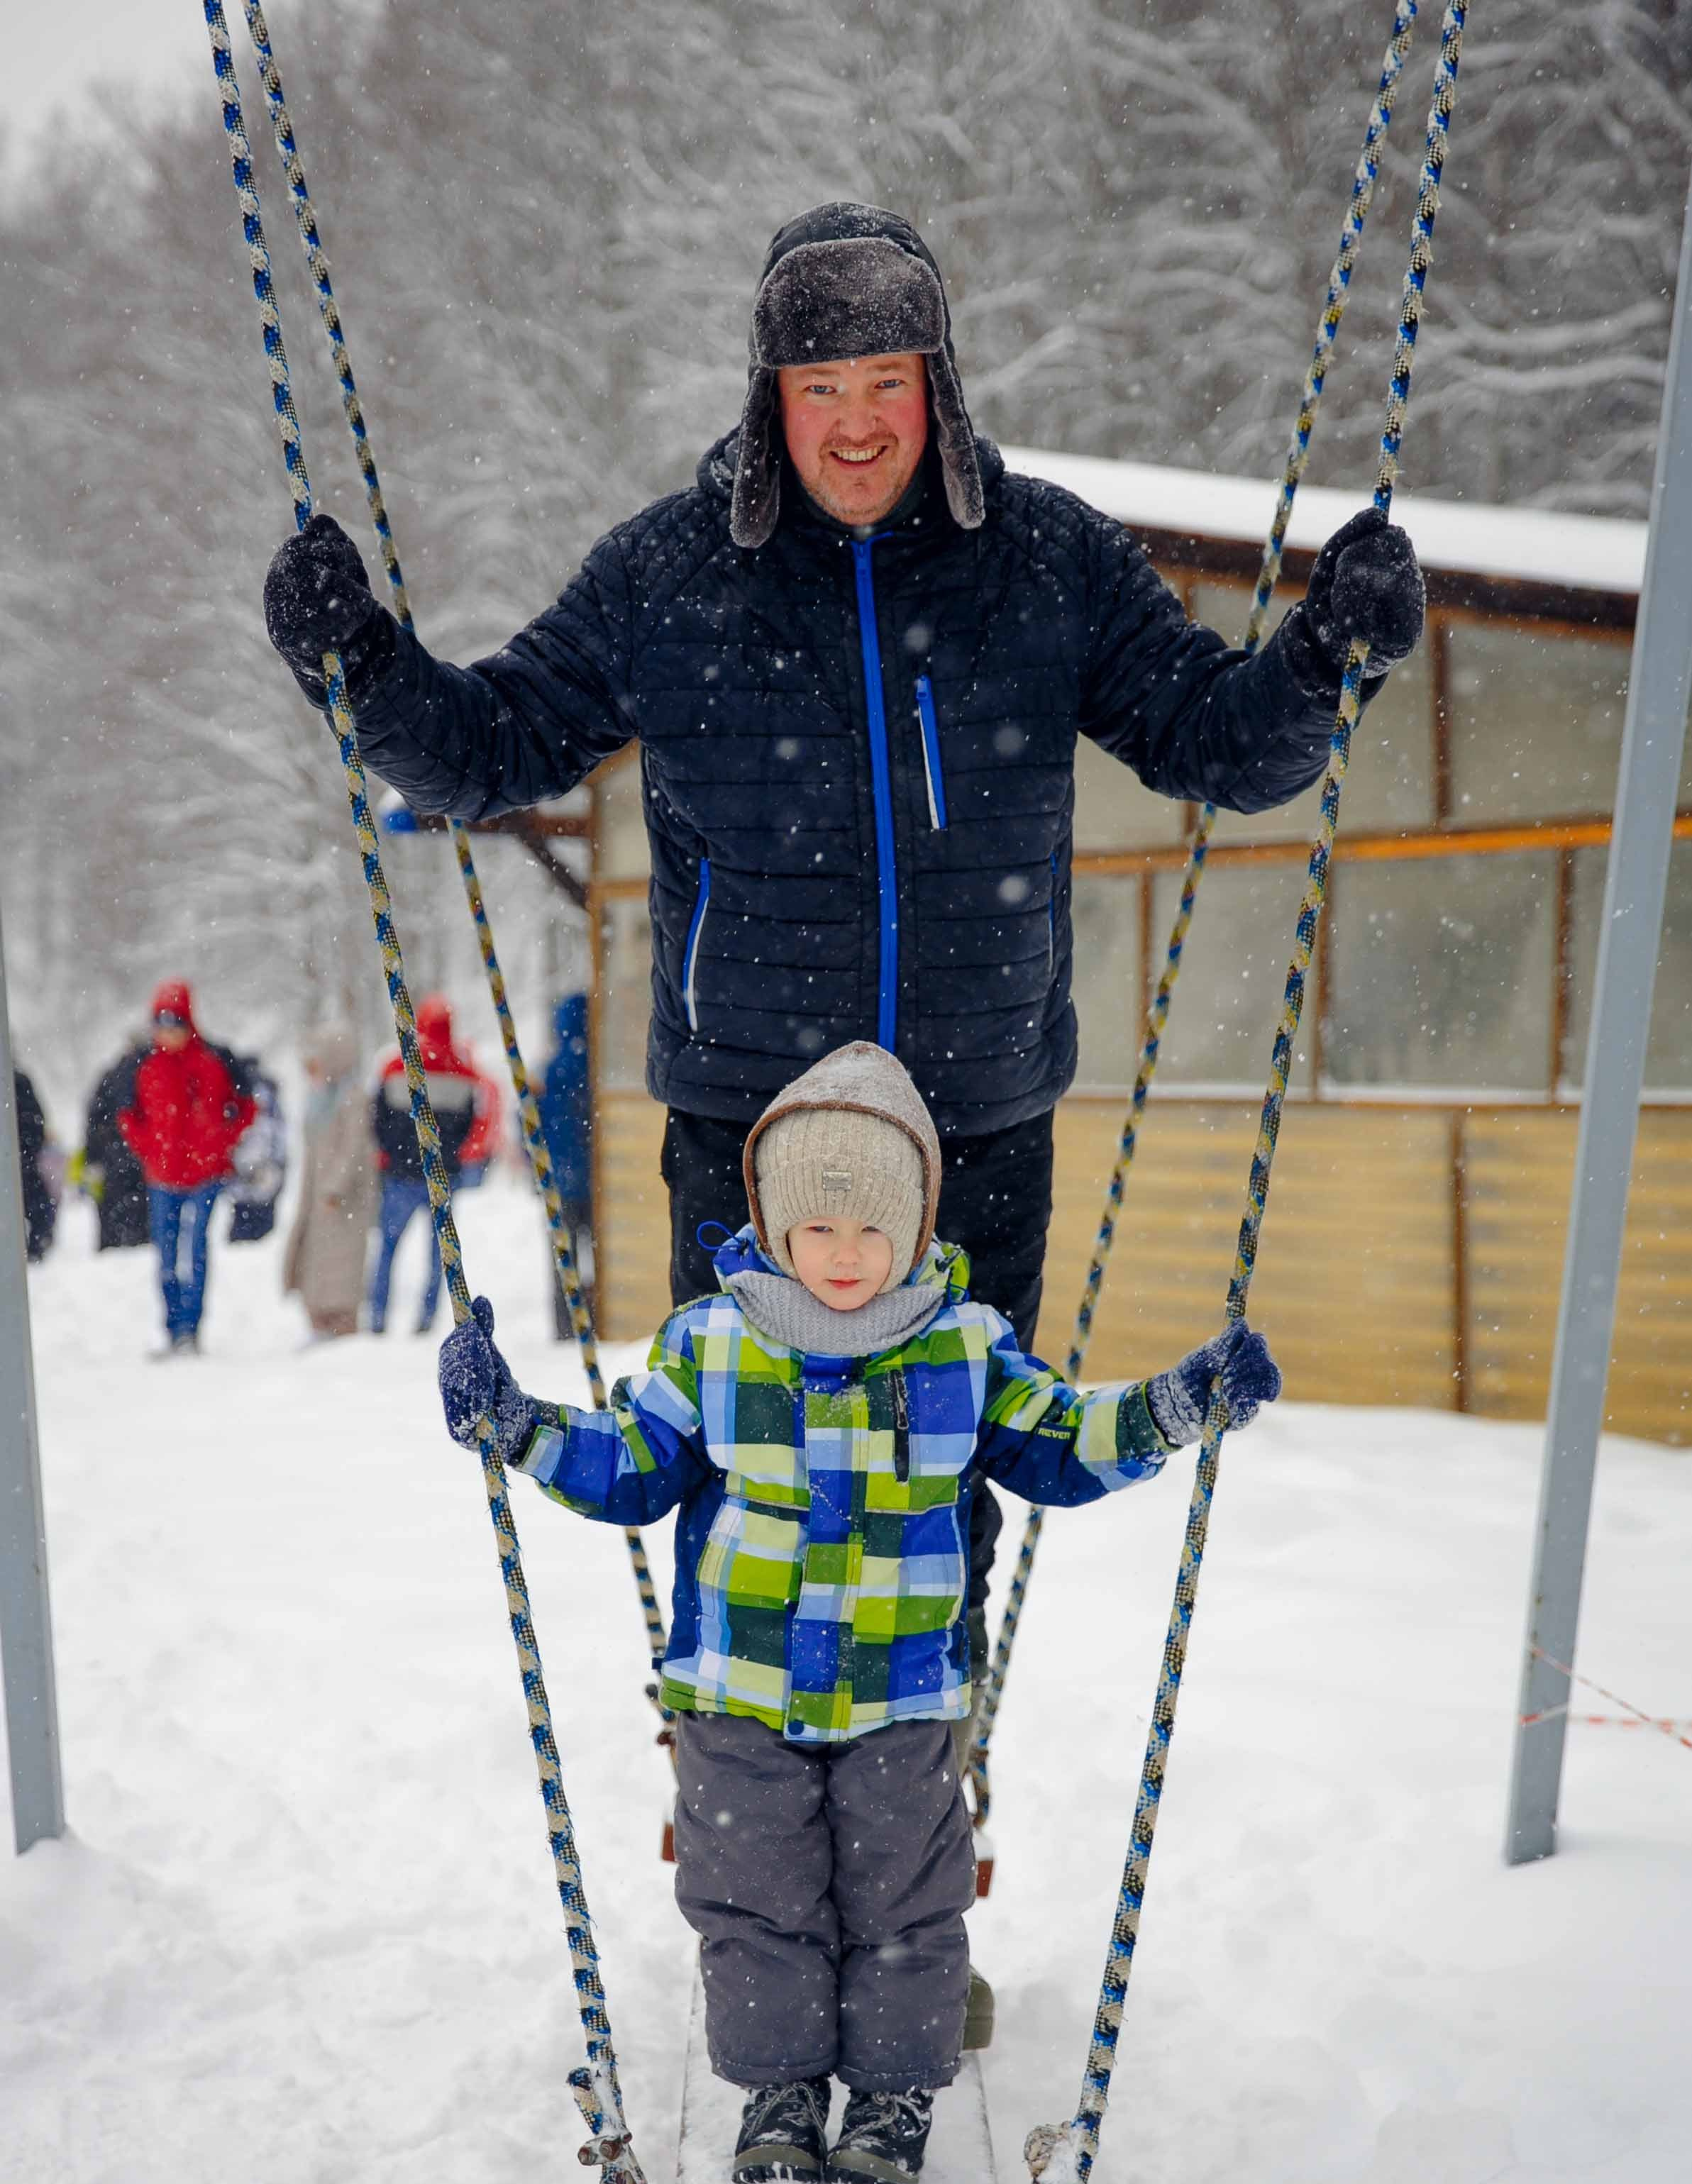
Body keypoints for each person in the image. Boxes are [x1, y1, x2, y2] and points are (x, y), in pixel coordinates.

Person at [263, 199, 1422, 1657]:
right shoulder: (668, 577)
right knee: (741, 1476)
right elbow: (489, 746)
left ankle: (920, 1778)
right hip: (746, 1134)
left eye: (887, 383)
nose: (857, 424)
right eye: (822, 390)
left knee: (949, 1486)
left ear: (938, 386)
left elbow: (1218, 742)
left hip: (975, 1134)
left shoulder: (1045, 561)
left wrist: (1328, 658)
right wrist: (357, 662)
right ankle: (741, 1774)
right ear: (771, 404)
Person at [436, 1041, 1281, 2184]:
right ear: (777, 1224)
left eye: (872, 1229)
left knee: (907, 1898)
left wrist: (1175, 1406)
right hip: (738, 1690)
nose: (845, 1255)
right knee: (753, 1894)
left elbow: (1063, 1443)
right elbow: (628, 1464)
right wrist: (518, 1421)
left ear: (917, 1226)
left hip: (899, 1693)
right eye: (819, 1228)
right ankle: (782, 2087)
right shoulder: (711, 1341)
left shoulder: (962, 1345)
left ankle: (891, 2091)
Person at [118, 981, 255, 1355]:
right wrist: (149, 1150)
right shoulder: (143, 1066)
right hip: (162, 1177)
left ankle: (191, 1330)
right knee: (165, 1253)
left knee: (194, 1250)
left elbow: (245, 1105)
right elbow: (127, 1115)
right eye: (160, 1022)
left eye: (174, 1021)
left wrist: (221, 1142)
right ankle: (172, 1326)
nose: (167, 1030)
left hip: (205, 1177)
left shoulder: (214, 1061)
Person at [368, 994, 494, 1334]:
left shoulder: (398, 1067)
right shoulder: (465, 1074)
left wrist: (391, 1154)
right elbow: (471, 1123)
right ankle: (426, 1319)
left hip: (400, 1175)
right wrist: (448, 1155)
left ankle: (378, 1317)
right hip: (442, 1175)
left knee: (388, 1248)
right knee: (440, 1253)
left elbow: (377, 1118)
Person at [284, 1025, 376, 1339]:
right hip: (316, 1191)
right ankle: (318, 1321)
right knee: (315, 1259)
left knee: (342, 1263)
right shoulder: (319, 1097)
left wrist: (335, 1185)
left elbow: (354, 1147)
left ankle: (341, 1323)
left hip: (343, 1196)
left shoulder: (352, 1097)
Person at [538, 991, 594, 1335]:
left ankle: (565, 1323)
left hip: (561, 1182)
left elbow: (531, 1121)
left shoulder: (549, 1071)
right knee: (602, 1255)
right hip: (599, 1183)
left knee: (563, 1257)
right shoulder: (598, 1066)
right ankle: (602, 1317)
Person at [80, 1041, 151, 1248]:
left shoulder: (111, 1077)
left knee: (113, 1208)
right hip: (139, 1156)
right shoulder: (148, 1074)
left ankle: (113, 1245)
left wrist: (93, 1155)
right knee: (141, 1208)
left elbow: (94, 1119)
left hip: (115, 1155)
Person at [228, 1061, 289, 1243]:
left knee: (253, 1226)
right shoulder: (259, 1096)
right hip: (254, 1168)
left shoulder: (251, 1095)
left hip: (257, 1167)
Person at [13, 1070, 60, 1262]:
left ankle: (34, 1246)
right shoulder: (18, 1081)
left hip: (23, 1158)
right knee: (37, 1204)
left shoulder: (18, 1082)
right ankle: (36, 1245)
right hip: (24, 1158)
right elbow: (36, 1121)